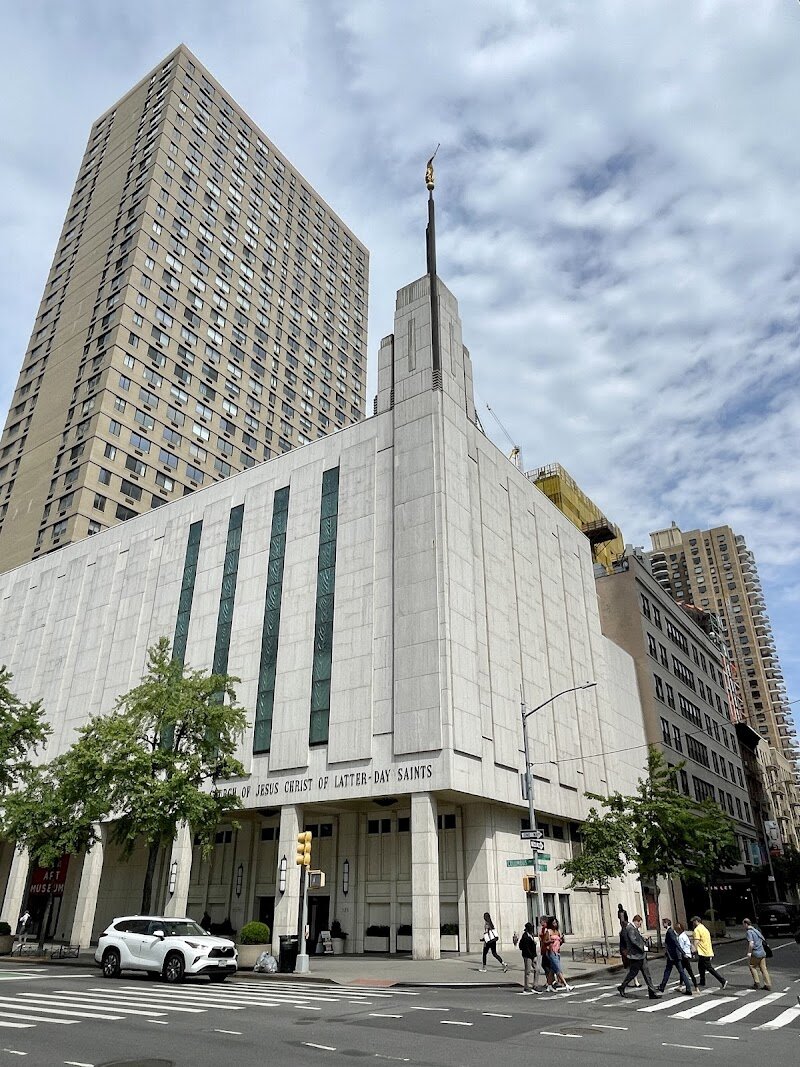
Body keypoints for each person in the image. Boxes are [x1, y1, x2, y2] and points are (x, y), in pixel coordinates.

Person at [617, 914, 661, 998]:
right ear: (636, 921)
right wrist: (642, 947)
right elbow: (633, 941)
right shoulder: (630, 928)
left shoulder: (634, 928)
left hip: (641, 955)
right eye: (640, 923)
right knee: (632, 974)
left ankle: (652, 993)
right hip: (635, 955)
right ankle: (622, 987)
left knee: (646, 974)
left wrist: (643, 939)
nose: (640, 925)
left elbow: (636, 939)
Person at [658, 918, 694, 995]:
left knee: (670, 971)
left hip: (673, 956)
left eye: (663, 923)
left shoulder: (670, 932)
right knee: (679, 972)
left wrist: (683, 952)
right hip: (674, 956)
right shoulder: (671, 931)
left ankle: (662, 986)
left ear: (666, 924)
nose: (662, 925)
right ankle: (688, 988)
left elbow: (676, 943)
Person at [690, 916, 727, 989]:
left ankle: (722, 980)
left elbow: (696, 941)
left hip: (703, 952)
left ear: (697, 921)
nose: (693, 923)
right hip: (707, 950)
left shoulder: (697, 930)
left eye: (693, 921)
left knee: (709, 968)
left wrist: (693, 950)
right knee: (701, 967)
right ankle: (702, 981)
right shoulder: (704, 928)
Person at [541, 918, 571, 991]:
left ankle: (549, 985)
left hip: (557, 952)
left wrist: (561, 940)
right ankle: (566, 984)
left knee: (552, 969)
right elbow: (545, 941)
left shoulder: (557, 932)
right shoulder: (549, 931)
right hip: (551, 952)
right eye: (553, 923)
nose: (555, 924)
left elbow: (559, 943)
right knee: (558, 969)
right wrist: (551, 941)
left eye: (556, 923)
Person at [742, 918, 771, 990]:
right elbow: (763, 939)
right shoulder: (756, 930)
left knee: (752, 966)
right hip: (762, 952)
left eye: (743, 925)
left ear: (746, 924)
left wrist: (749, 952)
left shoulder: (749, 932)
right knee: (764, 968)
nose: (743, 926)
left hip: (756, 952)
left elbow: (751, 943)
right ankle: (768, 984)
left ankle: (757, 983)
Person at [618, 909, 641, 987]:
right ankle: (630, 982)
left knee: (631, 968)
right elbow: (630, 941)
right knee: (632, 967)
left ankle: (633, 981)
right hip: (627, 951)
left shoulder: (624, 931)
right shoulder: (627, 931)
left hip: (625, 951)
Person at [674, 922, 699, 990]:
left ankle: (693, 986)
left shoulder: (680, 937)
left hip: (683, 956)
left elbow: (680, 948)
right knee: (685, 971)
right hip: (687, 955)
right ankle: (682, 985)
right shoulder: (684, 935)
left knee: (684, 971)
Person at [518, 921, 540, 993]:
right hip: (527, 956)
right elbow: (525, 948)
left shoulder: (531, 935)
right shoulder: (525, 937)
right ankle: (526, 986)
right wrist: (533, 956)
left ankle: (535, 985)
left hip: (532, 955)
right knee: (528, 971)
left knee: (537, 969)